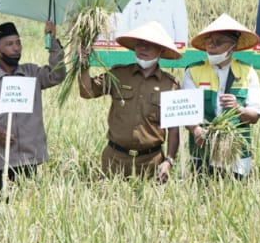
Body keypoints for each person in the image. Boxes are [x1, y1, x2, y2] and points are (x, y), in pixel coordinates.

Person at [0, 20, 65, 199]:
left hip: (27, 160)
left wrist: (53, 41)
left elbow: (57, 74)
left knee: (25, 216)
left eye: (18, 43)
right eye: (9, 44)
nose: (16, 48)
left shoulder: (32, 74)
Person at [78, 21, 182, 180]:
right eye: (139, 44)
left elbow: (174, 130)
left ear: (160, 50)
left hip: (151, 163)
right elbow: (87, 92)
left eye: (149, 45)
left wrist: (169, 161)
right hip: (115, 160)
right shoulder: (119, 74)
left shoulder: (170, 85)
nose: (143, 48)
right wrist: (83, 64)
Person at [180, 14, 260, 178]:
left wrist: (238, 109)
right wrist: (196, 130)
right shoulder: (193, 71)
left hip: (236, 150)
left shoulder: (247, 72)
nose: (211, 46)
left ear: (232, 46)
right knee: (202, 194)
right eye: (209, 41)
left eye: (218, 42)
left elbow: (254, 115)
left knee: (235, 196)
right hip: (202, 146)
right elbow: (185, 110)